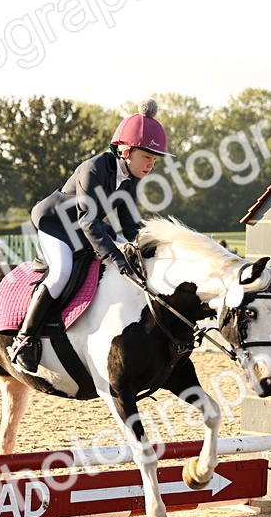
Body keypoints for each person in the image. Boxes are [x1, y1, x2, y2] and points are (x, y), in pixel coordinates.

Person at [10, 99, 168, 375]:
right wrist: (119, 260)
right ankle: (24, 340)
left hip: (83, 229)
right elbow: (88, 220)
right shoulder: (93, 169)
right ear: (126, 152)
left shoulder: (130, 179)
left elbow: (129, 224)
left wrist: (151, 245)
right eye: (147, 158)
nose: (150, 165)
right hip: (56, 225)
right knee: (61, 273)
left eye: (154, 160)